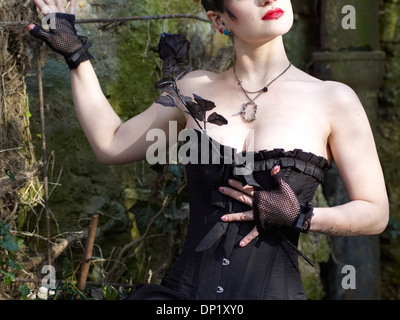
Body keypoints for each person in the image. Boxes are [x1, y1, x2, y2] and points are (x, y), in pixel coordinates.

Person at [28, 0, 389, 300]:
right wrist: (76, 54)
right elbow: (111, 143)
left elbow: (374, 214)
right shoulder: (192, 89)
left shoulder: (333, 99)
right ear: (218, 19)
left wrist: (303, 217)